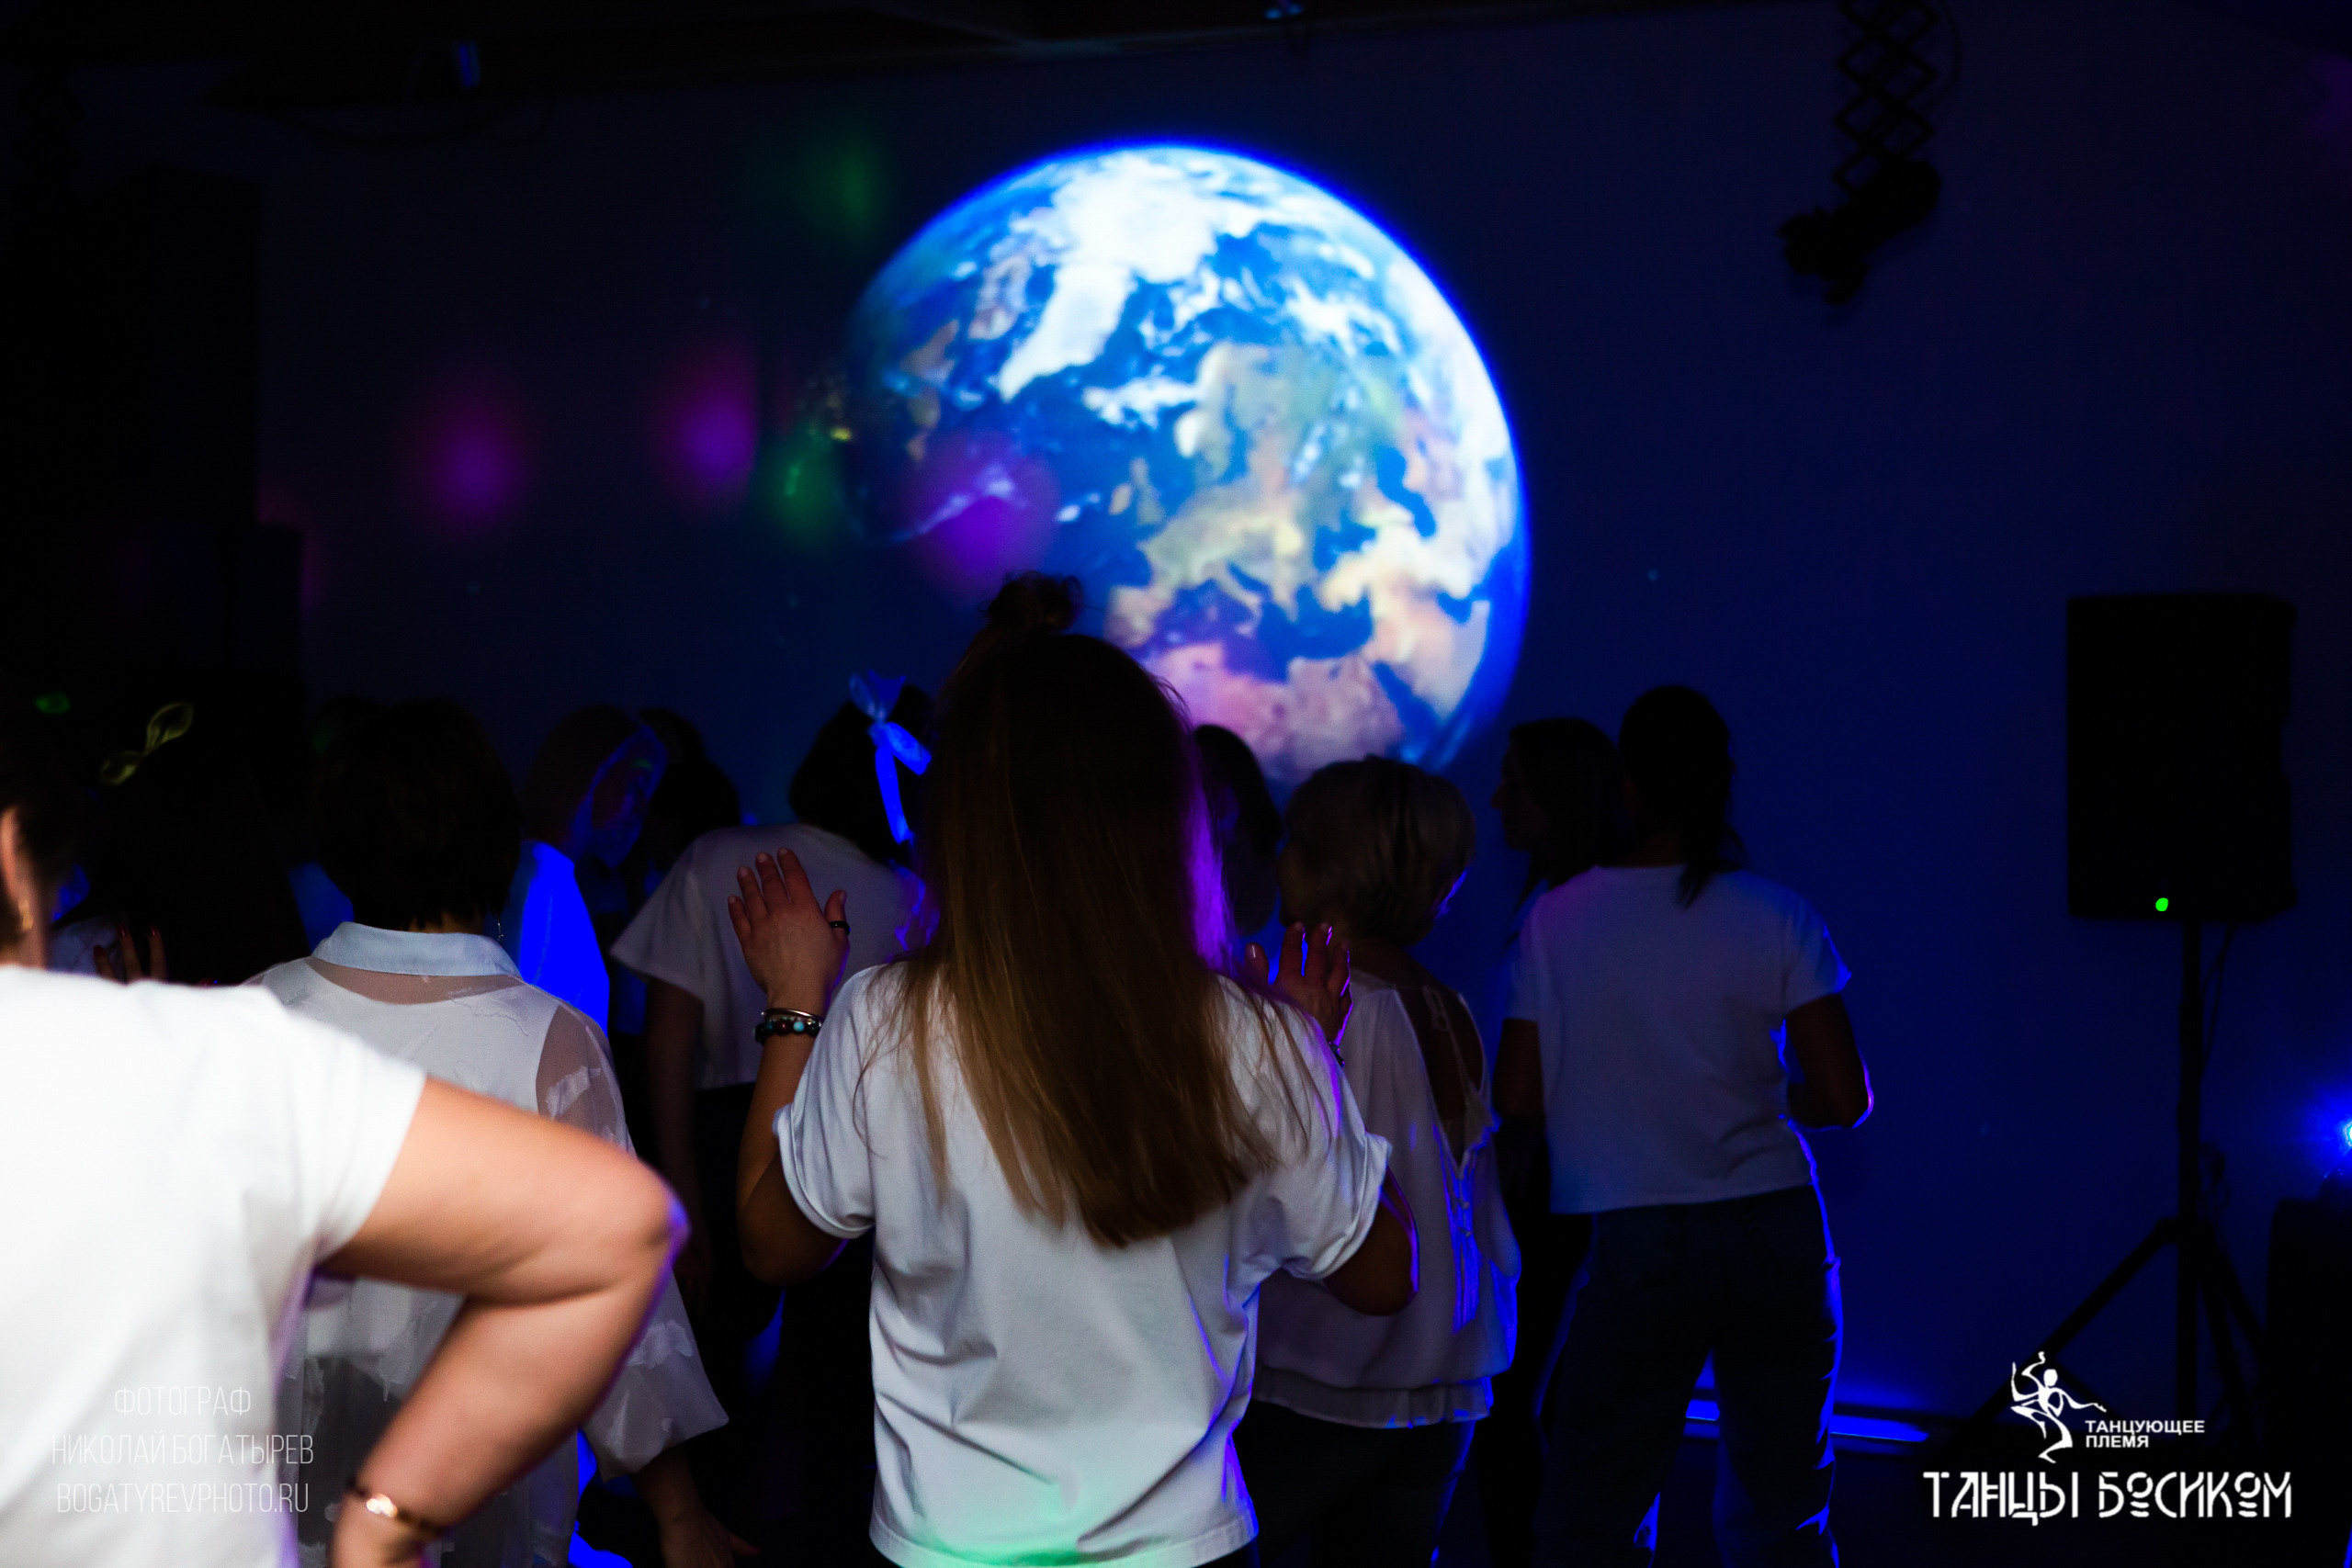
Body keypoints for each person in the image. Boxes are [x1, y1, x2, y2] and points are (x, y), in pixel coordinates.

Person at [729, 593, 1421, 1568]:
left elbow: (773, 1247)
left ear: (966, 821)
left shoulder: (887, 1016)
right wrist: (1309, 1060)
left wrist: (796, 1001)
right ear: (1163, 822)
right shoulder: (1259, 1042)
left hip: (950, 1546)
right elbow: (1385, 1277)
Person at [0, 694, 682, 1568]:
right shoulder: (218, 1047)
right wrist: (389, 1515)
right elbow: (618, 1236)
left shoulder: (248, 1019)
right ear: (18, 863)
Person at [254, 699, 735, 1568]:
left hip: (282, 1483)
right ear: (494, 839)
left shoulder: (251, 1014)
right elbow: (619, 1295)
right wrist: (679, 1511)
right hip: (471, 1493)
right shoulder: (543, 1040)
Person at [1495, 687, 1872, 1568]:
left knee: (1593, 1518)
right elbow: (1846, 1095)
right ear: (1720, 787)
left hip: (1637, 1236)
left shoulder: (1557, 917)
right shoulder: (1777, 911)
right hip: (1776, 1224)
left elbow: (1516, 1096)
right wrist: (1767, 1093)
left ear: (1628, 785)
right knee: (1783, 1517)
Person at [609, 680, 929, 1552]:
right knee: (834, 1403)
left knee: (709, 1393)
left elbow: (666, 1048)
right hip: (863, 1158)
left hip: (715, 1141)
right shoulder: (910, 897)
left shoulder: (717, 856)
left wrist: (682, 1200)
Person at [1237, 757, 1513, 1566]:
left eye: (1291, 843)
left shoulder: (1325, 1004)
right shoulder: (1447, 1002)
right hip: (1443, 1376)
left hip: (1327, 1372)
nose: (1276, 860)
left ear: (1329, 868)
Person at [1476, 717, 1627, 1568]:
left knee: (1514, 1401)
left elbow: (1529, 1083)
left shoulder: (1570, 911)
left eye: (1516, 783)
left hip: (1558, 1188)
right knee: (1544, 1401)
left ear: (1560, 798)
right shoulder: (1559, 903)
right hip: (1562, 1183)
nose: (1497, 797)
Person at [500, 705, 670, 1032]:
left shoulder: (543, 876)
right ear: (592, 771)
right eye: (637, 786)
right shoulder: (534, 882)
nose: (642, 810)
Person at [1194, 724, 1282, 942]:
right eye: (1196, 776)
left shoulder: (1273, 849)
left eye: (1215, 775)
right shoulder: (1186, 852)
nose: (1207, 787)